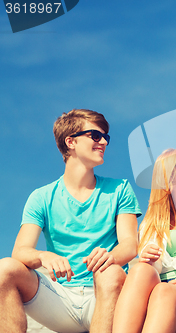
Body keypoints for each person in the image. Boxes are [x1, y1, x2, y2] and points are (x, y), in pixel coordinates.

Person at [0, 109, 141, 333]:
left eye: (106, 137)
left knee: (111, 271)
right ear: (71, 141)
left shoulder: (120, 189)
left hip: (104, 293)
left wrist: (110, 256)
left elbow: (130, 245)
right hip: (60, 299)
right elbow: (20, 252)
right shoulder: (42, 197)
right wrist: (43, 255)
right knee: (5, 268)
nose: (103, 141)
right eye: (95, 135)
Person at [112, 148, 176, 333]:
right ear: (169, 174)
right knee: (140, 269)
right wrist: (150, 261)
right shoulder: (151, 221)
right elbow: (153, 271)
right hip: (159, 298)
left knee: (164, 291)